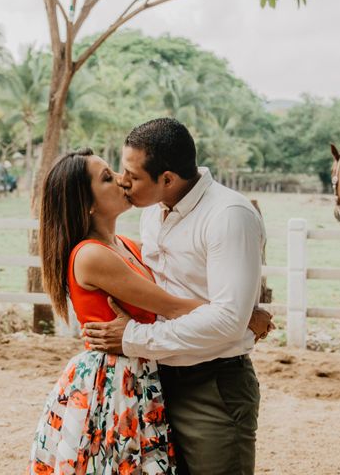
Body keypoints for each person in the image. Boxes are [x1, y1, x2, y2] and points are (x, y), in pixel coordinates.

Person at [83, 118, 267, 475]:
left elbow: (227, 320)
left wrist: (134, 338)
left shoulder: (228, 216)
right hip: (153, 382)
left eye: (132, 175)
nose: (123, 181)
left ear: (167, 178)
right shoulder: (151, 212)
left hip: (210, 386)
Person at [26, 148, 209, 474]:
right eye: (107, 178)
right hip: (115, 381)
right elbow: (173, 306)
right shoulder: (91, 256)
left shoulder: (126, 245)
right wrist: (241, 313)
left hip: (140, 371)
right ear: (88, 203)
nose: (122, 181)